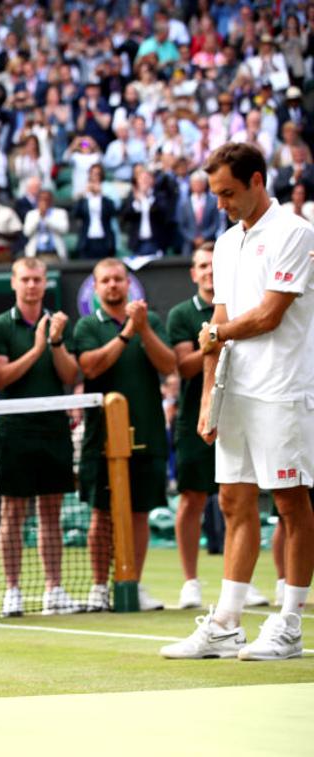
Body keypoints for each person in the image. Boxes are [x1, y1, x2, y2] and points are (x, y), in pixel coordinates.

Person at [163, 143, 314, 661]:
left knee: (291, 503)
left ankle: (290, 623)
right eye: (214, 194)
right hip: (238, 391)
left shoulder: (296, 232)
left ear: (255, 181)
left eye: (228, 192)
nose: (220, 203)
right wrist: (209, 397)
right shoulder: (226, 244)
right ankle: (226, 622)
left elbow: (268, 316)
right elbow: (218, 327)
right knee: (232, 501)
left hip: (284, 389)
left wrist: (215, 335)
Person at [166, 245, 270, 611]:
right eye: (201, 267)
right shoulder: (181, 314)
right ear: (193, 273)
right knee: (192, 499)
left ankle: (244, 580)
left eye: (212, 265)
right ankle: (191, 583)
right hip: (198, 417)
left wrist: (219, 331)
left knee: (243, 498)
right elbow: (184, 367)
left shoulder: (246, 305)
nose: (208, 272)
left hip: (244, 412)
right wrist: (216, 336)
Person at [74, 258, 175, 612]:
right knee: (101, 515)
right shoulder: (87, 325)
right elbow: (90, 365)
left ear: (128, 285)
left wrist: (143, 329)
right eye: (106, 280)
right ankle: (100, 588)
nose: (113, 285)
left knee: (139, 513)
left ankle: (132, 582)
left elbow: (169, 365)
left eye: (119, 279)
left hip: (146, 432)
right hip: (101, 437)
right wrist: (127, 333)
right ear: (96, 287)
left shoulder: (152, 322)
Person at [0, 257, 82, 617]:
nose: (31, 285)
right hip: (14, 429)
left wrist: (55, 342)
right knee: (12, 513)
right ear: (14, 283)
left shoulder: (60, 323)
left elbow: (71, 375)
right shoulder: (0, 326)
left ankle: (53, 589)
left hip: (53, 429)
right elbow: (0, 378)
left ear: (45, 284)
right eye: (25, 279)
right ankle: (12, 590)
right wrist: (35, 347)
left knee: (50, 514)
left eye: (37, 279)